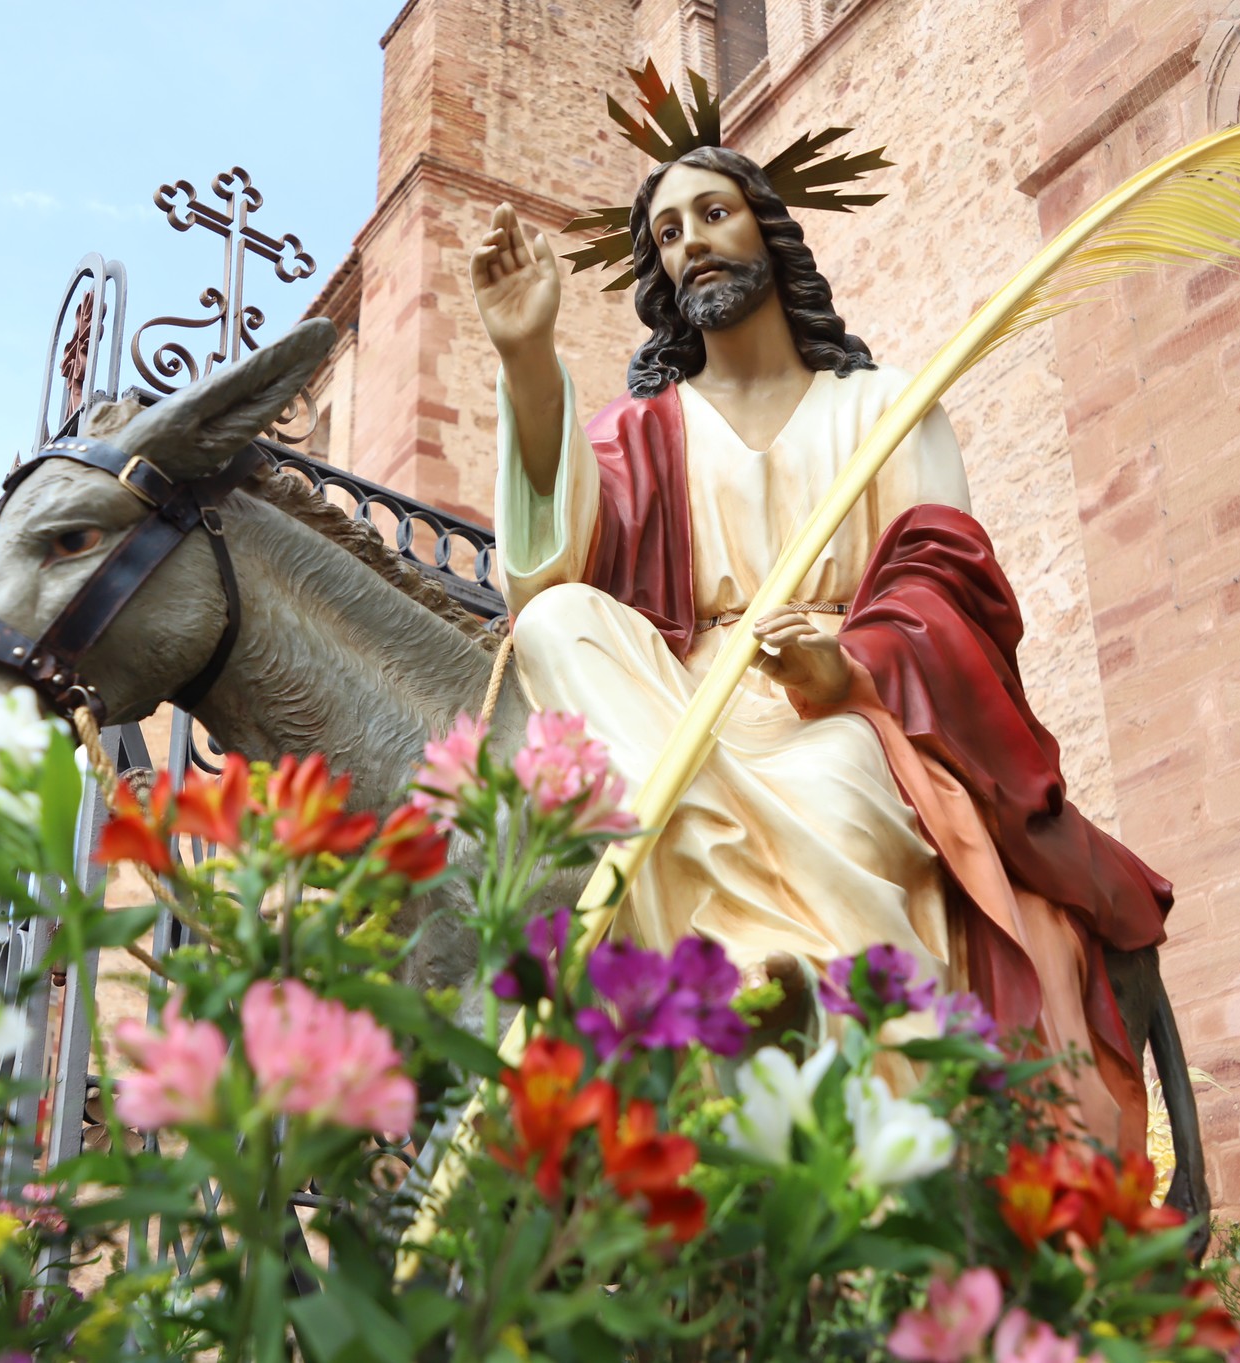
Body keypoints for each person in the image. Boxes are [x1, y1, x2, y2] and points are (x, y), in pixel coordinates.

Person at [473, 143, 1173, 1148]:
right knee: (554, 625)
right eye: (667, 233)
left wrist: (846, 666)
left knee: (836, 786)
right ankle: (733, 960)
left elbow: (947, 584)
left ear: (768, 230)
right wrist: (528, 362)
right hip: (673, 710)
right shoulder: (640, 430)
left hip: (845, 701)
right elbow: (545, 575)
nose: (691, 243)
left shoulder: (883, 408)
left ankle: (856, 1068)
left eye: (712, 214)